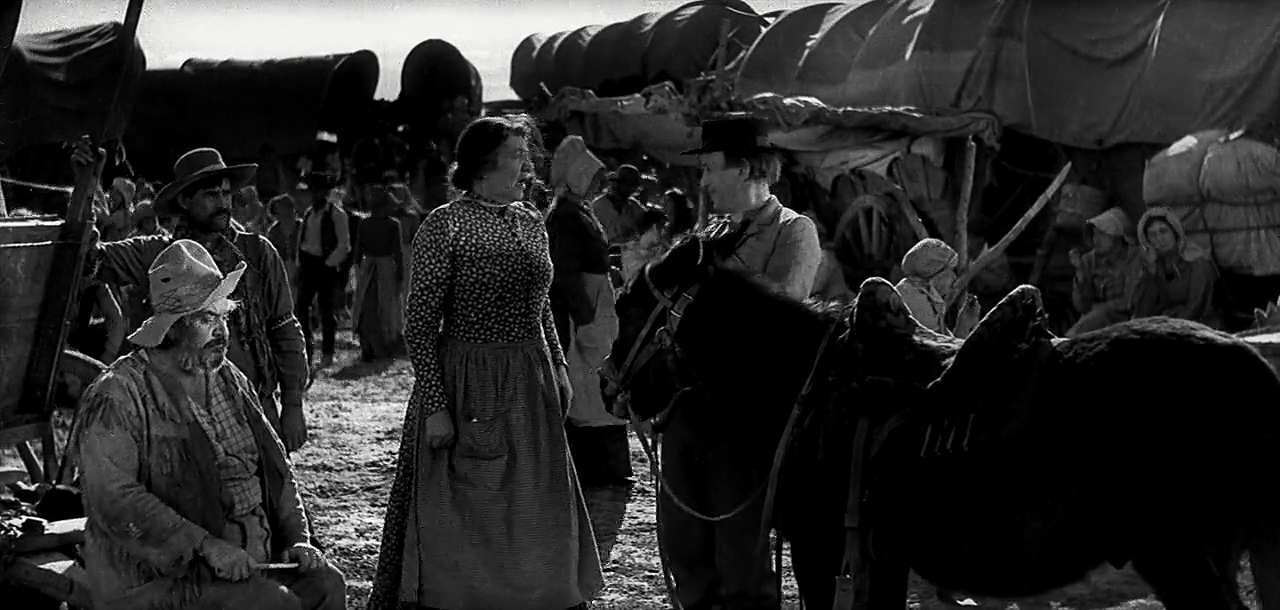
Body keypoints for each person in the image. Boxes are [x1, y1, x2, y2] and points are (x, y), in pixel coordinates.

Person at [367, 116, 603, 610]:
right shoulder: (445, 224)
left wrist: (558, 367)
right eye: (517, 155)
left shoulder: (530, 222)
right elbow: (420, 321)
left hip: (531, 385)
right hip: (467, 383)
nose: (528, 166)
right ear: (482, 163)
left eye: (527, 155)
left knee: (535, 515)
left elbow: (541, 308)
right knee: (468, 515)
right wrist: (434, 404)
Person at [74, 239, 346, 610]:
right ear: (171, 329)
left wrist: (299, 537)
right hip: (160, 578)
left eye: (223, 316)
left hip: (252, 563)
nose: (221, 331)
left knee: (327, 585)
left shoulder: (228, 379)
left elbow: (278, 470)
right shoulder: (118, 394)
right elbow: (114, 500)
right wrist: (204, 545)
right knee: (270, 603)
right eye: (206, 319)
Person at [660, 115, 823, 610]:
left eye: (711, 169)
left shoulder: (794, 232)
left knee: (739, 549)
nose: (703, 182)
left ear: (748, 169)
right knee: (682, 541)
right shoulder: (708, 234)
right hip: (686, 409)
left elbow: (780, 320)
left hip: (745, 420)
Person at [76, 142, 311, 454]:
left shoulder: (259, 253)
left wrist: (293, 404)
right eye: (211, 195)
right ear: (184, 200)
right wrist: (85, 186)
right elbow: (85, 260)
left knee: (268, 495)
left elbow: (284, 327)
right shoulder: (157, 254)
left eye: (226, 194)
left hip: (254, 408)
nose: (223, 203)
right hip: (181, 422)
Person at [546, 135, 634, 565]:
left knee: (599, 387)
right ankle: (599, 469)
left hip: (596, 301)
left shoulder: (576, 211)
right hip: (585, 310)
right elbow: (564, 272)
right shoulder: (565, 215)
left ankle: (608, 467)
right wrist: (584, 318)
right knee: (588, 388)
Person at [1129, 207, 1220, 328]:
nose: (1159, 239)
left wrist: (1172, 327)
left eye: (1163, 231)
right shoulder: (1154, 265)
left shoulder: (1198, 262)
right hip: (1163, 327)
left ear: (1175, 232)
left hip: (1198, 326)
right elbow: (1142, 311)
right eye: (1152, 234)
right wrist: (1151, 272)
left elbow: (1198, 306)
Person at [295, 174, 351, 369]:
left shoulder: (336, 214)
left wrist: (328, 264)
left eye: (317, 190)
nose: (314, 194)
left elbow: (344, 245)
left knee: (327, 310)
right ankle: (306, 349)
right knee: (302, 308)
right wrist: (300, 264)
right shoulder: (309, 213)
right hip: (309, 264)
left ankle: (327, 352)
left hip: (325, 265)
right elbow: (302, 242)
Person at [1066, 207, 1142, 337]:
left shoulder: (1136, 257)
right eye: (1094, 234)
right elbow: (1082, 305)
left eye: (1102, 234)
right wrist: (1081, 273)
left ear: (1117, 236)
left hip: (1127, 320)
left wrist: (1101, 310)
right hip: (1096, 322)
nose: (1096, 240)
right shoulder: (1090, 260)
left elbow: (1130, 302)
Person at [351, 187, 405, 362]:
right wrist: (400, 274)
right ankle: (382, 344)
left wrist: (358, 268)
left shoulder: (367, 223)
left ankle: (371, 346)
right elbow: (397, 251)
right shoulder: (391, 224)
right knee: (384, 307)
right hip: (383, 267)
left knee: (368, 304)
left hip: (370, 268)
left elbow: (358, 250)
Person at [895, 238, 982, 338]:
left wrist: (964, 322)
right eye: (951, 271)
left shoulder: (921, 293)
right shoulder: (916, 301)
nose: (954, 277)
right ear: (937, 274)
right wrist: (963, 327)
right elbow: (939, 351)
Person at [591, 163, 649, 246]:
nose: (632, 189)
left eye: (634, 186)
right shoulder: (597, 207)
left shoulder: (634, 207)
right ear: (617, 183)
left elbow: (648, 223)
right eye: (629, 185)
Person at [266, 194, 303, 299]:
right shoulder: (273, 231)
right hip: (282, 270)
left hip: (302, 268)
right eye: (278, 210)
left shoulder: (301, 226)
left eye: (284, 208)